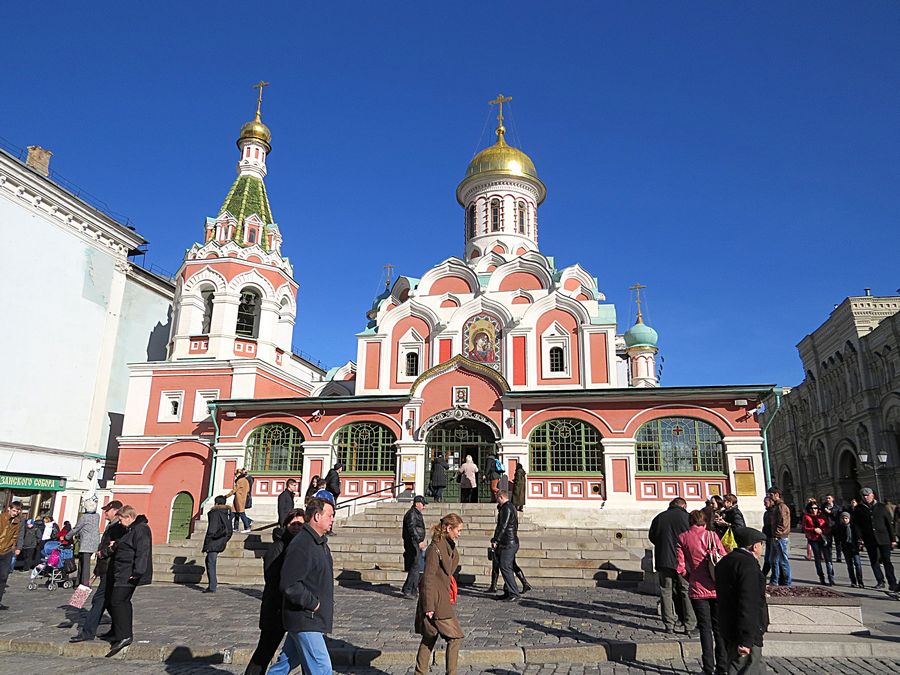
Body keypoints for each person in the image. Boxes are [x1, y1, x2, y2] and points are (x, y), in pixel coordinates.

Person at [269, 497, 336, 675]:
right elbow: (290, 584)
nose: (332, 519)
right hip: (306, 617)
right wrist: (313, 603)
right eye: (329, 515)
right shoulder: (302, 544)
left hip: (309, 618)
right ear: (317, 516)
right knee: (321, 668)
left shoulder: (319, 543)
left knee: (284, 665)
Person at [244, 508, 305, 675]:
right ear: (286, 525)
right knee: (264, 652)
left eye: (300, 524)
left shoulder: (299, 546)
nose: (297, 527)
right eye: (293, 524)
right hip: (276, 608)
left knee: (300, 653)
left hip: (292, 608)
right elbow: (271, 577)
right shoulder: (278, 546)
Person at [676, 509, 727, 675]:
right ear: (704, 521)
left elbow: (680, 567)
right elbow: (723, 557)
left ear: (690, 521)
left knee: (705, 629)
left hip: (697, 588)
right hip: (716, 587)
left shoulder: (683, 537)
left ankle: (708, 667)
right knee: (719, 629)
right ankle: (722, 666)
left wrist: (690, 577)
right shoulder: (712, 536)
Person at [415, 513, 466, 675]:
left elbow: (449, 568)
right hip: (436, 601)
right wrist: (429, 606)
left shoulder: (448, 545)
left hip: (441, 596)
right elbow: (428, 578)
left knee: (429, 637)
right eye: (458, 530)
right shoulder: (434, 549)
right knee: (455, 637)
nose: (459, 534)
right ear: (449, 528)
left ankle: (419, 673)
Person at [69, 500, 125, 643]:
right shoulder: (110, 525)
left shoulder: (118, 527)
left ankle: (88, 632)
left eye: (107, 511)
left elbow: (117, 547)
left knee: (99, 600)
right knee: (109, 601)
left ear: (115, 511)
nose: (105, 513)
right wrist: (97, 569)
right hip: (104, 566)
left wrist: (103, 552)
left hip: (109, 568)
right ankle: (117, 630)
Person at [716, 527, 769, 674]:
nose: (762, 548)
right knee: (745, 667)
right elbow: (748, 603)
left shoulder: (727, 561)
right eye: (762, 544)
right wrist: (746, 639)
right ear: (755, 546)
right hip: (744, 632)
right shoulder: (748, 565)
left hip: (729, 627)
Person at [105, 505, 153, 657]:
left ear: (129, 517)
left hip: (128, 572)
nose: (120, 523)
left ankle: (124, 635)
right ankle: (121, 633)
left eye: (121, 520)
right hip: (122, 571)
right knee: (120, 601)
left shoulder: (140, 529)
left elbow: (142, 551)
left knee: (117, 601)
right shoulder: (132, 529)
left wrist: (138, 571)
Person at [648, 497, 696, 634]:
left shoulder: (659, 517)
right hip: (683, 561)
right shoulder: (687, 517)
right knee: (685, 590)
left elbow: (652, 536)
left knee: (666, 591)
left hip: (664, 560)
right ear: (684, 506)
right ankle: (689, 624)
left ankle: (669, 624)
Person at [853, 487, 897, 591]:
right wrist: (860, 538)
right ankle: (880, 581)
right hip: (870, 539)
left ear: (873, 495)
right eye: (864, 496)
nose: (866, 497)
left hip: (884, 538)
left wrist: (893, 539)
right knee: (874, 561)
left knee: (886, 560)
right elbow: (857, 525)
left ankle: (892, 582)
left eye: (868, 495)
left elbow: (889, 523)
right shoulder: (859, 509)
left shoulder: (881, 507)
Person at [491, 489, 520, 602]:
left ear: (501, 497)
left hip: (508, 542)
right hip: (510, 541)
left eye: (497, 498)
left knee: (505, 567)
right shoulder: (510, 507)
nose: (496, 500)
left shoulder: (506, 508)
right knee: (507, 566)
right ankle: (508, 592)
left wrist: (496, 540)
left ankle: (514, 593)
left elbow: (503, 526)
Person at [67, 498, 102, 587]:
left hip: (86, 543)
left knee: (85, 564)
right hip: (94, 542)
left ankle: (84, 584)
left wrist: (67, 536)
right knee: (82, 562)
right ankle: (78, 582)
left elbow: (76, 528)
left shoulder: (84, 517)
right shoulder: (97, 516)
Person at [202, 495, 233, 593]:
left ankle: (212, 586)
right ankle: (212, 584)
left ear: (216, 503)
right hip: (221, 539)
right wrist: (225, 539)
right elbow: (230, 530)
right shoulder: (227, 513)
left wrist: (207, 543)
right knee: (209, 560)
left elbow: (212, 529)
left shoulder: (215, 513)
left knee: (211, 562)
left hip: (214, 541)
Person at [802, 502, 834, 585]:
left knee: (828, 558)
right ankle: (821, 577)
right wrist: (813, 530)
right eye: (812, 508)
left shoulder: (822, 515)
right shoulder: (806, 516)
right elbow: (804, 528)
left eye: (815, 508)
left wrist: (822, 530)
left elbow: (828, 526)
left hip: (824, 538)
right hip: (814, 539)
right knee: (818, 558)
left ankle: (831, 577)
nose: (814, 510)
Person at [402, 496, 428, 598]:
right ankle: (409, 589)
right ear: (417, 503)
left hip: (414, 542)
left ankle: (411, 589)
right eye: (423, 504)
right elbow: (412, 529)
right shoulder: (412, 514)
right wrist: (419, 541)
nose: (424, 507)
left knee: (416, 566)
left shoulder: (416, 513)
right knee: (415, 566)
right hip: (412, 543)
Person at [0, 501, 23, 610]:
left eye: (18, 511)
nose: (16, 513)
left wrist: (14, 547)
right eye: (14, 510)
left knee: (3, 576)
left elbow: (16, 536)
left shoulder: (17, 522)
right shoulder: (2, 518)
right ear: (9, 509)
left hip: (7, 551)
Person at [767, 486, 792, 586]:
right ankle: (774, 581)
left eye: (771, 495)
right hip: (776, 537)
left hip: (780, 537)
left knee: (783, 561)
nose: (770, 497)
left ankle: (787, 582)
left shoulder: (782, 507)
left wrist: (777, 534)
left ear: (777, 495)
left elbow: (783, 523)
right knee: (773, 560)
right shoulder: (776, 506)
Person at [831, 511, 864, 588]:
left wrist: (860, 542)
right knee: (850, 565)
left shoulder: (853, 526)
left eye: (846, 518)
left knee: (858, 564)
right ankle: (853, 581)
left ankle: (860, 581)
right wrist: (839, 547)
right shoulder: (839, 528)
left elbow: (859, 536)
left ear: (849, 519)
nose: (845, 520)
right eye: (843, 518)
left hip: (854, 548)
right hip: (846, 548)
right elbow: (837, 539)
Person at [227, 468, 253, 532]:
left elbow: (234, 490)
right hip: (242, 498)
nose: (235, 476)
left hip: (239, 499)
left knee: (241, 513)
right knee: (234, 513)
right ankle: (234, 527)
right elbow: (247, 490)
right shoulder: (245, 480)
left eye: (236, 474)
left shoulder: (240, 480)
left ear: (239, 474)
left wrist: (226, 496)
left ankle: (247, 527)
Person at [821, 494, 843, 563]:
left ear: (832, 499)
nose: (827, 499)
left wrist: (830, 512)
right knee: (829, 543)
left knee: (838, 543)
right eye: (826, 498)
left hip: (836, 527)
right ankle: (829, 556)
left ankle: (839, 557)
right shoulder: (823, 507)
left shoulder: (837, 507)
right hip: (827, 527)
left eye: (829, 498)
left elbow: (838, 514)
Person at [760, 496, 774, 578]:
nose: (764, 504)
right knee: (768, 558)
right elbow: (765, 525)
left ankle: (774, 577)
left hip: (773, 537)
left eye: (766, 502)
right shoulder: (766, 513)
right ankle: (763, 575)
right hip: (768, 537)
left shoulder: (774, 512)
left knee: (772, 559)